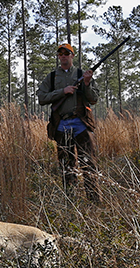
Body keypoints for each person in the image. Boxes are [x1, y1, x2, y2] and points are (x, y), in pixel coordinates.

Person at [37, 43, 101, 201]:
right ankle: (71, 202)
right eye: (61, 54)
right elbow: (41, 98)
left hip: (81, 125)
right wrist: (62, 91)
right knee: (66, 165)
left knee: (89, 163)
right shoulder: (52, 77)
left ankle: (94, 201)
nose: (63, 56)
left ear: (73, 56)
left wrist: (86, 83)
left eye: (67, 53)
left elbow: (94, 99)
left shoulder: (82, 74)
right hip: (61, 126)